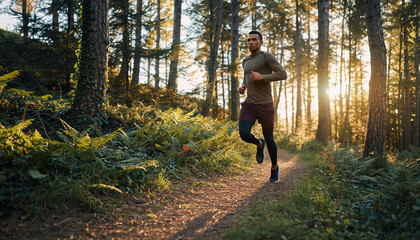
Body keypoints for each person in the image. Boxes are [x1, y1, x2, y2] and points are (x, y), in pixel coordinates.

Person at [239, 30, 287, 183]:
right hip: (249, 104)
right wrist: (243, 86)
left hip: (265, 104)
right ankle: (259, 143)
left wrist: (263, 77)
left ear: (261, 42)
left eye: (254, 40)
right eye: (249, 40)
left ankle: (274, 167)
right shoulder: (245, 60)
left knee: (270, 137)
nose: (250, 42)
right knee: (244, 133)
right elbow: (247, 77)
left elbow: (283, 74)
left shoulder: (267, 57)